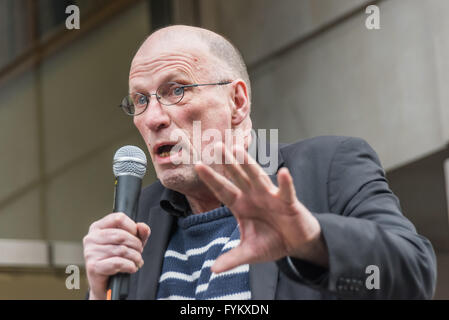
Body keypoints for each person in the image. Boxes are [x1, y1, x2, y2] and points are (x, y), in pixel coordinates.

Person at [82, 25, 437, 300]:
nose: (152, 118)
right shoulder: (138, 217)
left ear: (237, 101)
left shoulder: (327, 168)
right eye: (140, 100)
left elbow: (415, 274)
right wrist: (100, 294)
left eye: (176, 90)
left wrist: (312, 240)